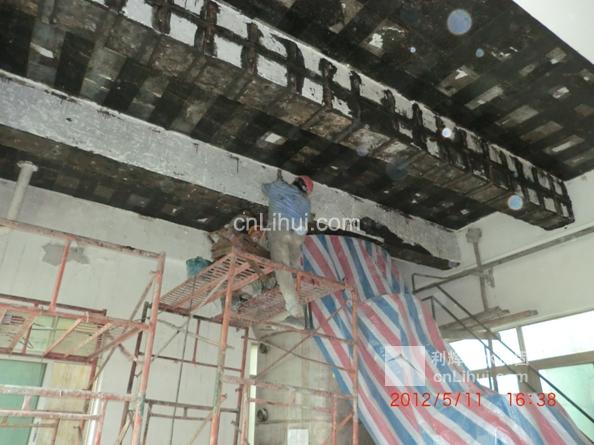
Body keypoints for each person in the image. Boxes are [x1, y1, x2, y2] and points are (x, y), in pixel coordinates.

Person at [262, 171, 314, 323]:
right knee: (294, 268)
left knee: (282, 267)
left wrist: (279, 182)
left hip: (280, 229)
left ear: (296, 180)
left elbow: (265, 188)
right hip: (297, 236)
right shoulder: (306, 202)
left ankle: (294, 308)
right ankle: (300, 305)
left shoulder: (280, 187)